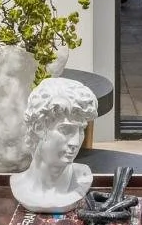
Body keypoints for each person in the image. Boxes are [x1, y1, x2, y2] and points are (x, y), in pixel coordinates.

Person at [10, 78, 97, 213]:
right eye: (66, 130)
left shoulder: (82, 180)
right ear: (39, 127)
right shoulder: (19, 185)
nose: (75, 142)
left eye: (81, 130)